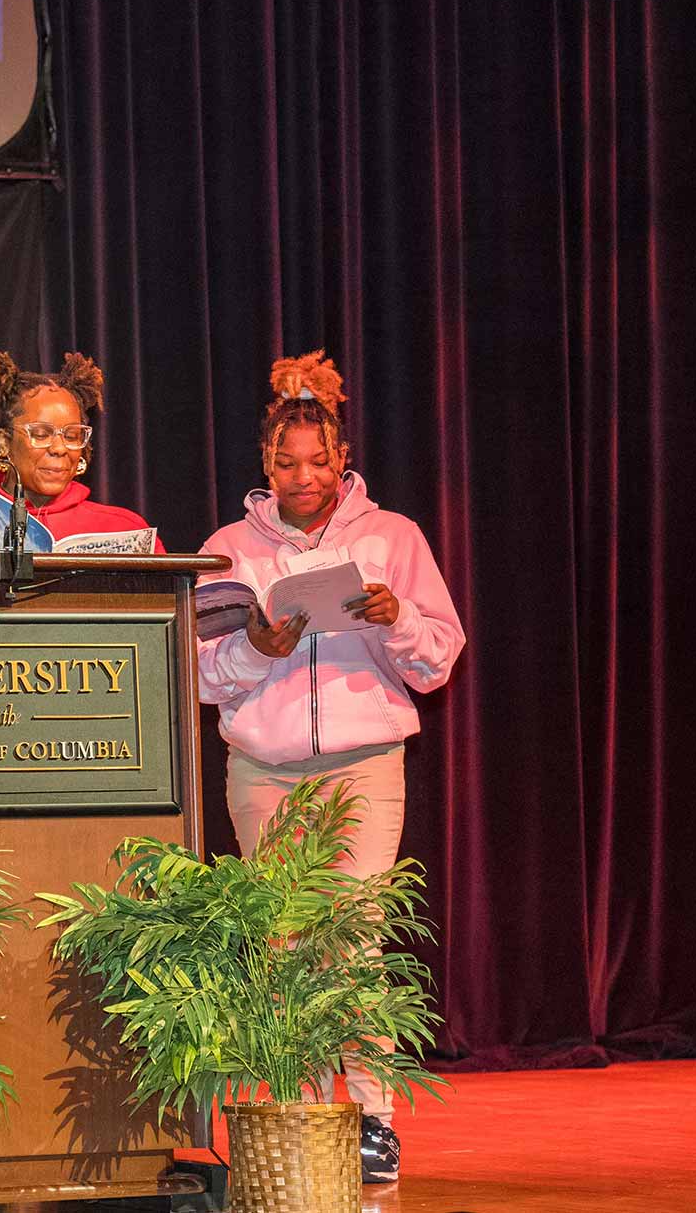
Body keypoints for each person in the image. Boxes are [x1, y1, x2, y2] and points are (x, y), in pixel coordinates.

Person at [196, 352, 464, 1188]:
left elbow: (439, 660)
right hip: (266, 770)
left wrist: (394, 619)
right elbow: (197, 673)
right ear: (265, 462)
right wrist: (253, 645)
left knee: (352, 942)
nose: (303, 476)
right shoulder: (228, 547)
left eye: (318, 460)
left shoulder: (394, 537)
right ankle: (306, 1112)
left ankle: (372, 1116)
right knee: (283, 945)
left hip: (363, 766)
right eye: (287, 461)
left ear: (342, 457)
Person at [0, 351, 162, 551]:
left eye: (72, 436)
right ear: (5, 443)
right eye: (41, 434)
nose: (60, 448)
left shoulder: (123, 529)